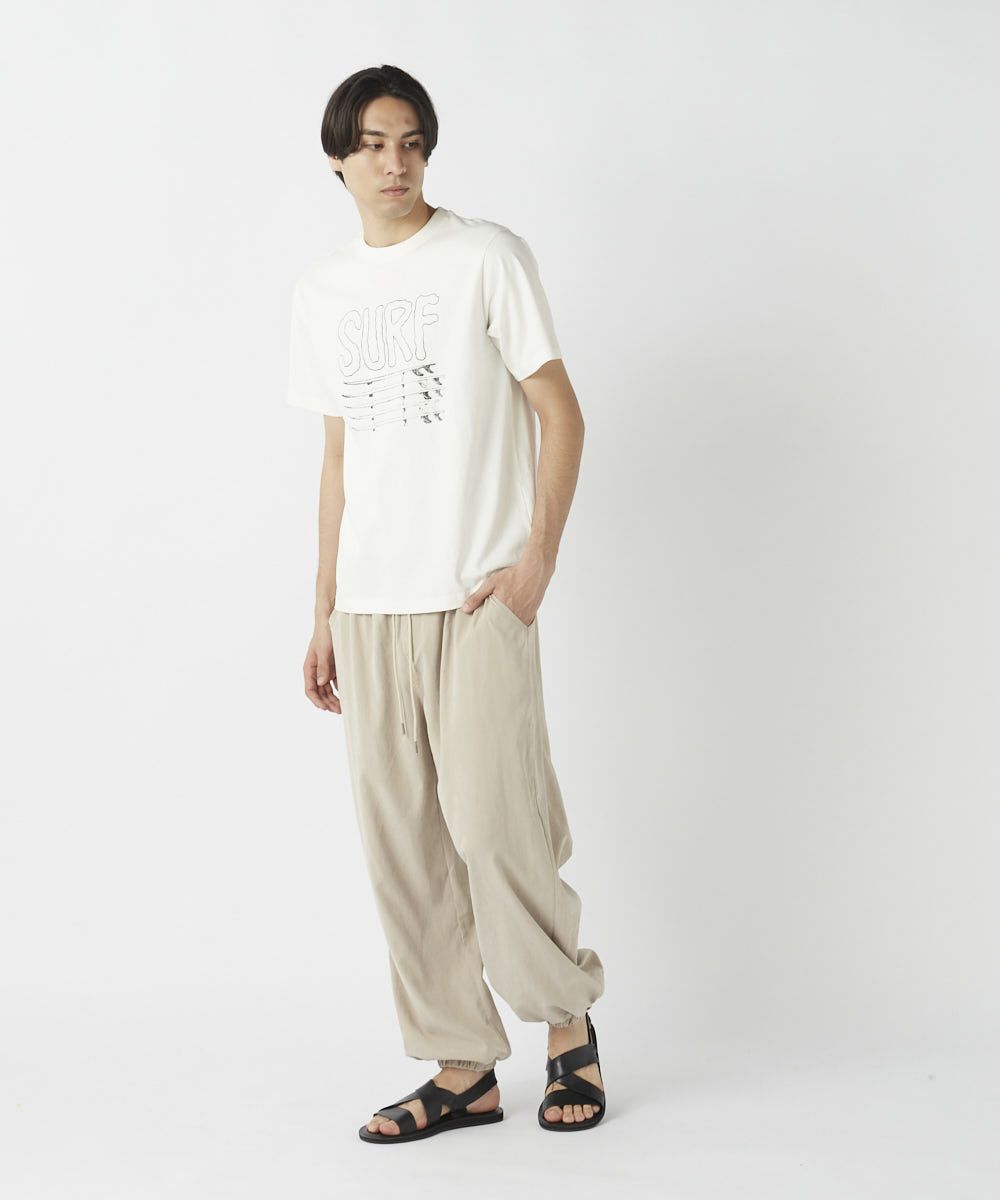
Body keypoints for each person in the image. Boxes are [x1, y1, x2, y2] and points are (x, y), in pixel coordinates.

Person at [286, 64, 607, 1141]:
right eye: (374, 144)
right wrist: (324, 609)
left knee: (498, 824)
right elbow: (338, 459)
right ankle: (460, 1065)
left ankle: (567, 1026)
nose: (396, 162)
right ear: (338, 159)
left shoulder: (485, 258)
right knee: (405, 846)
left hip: (476, 594)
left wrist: (536, 561)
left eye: (412, 142)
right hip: (370, 606)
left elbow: (560, 413)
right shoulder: (322, 291)